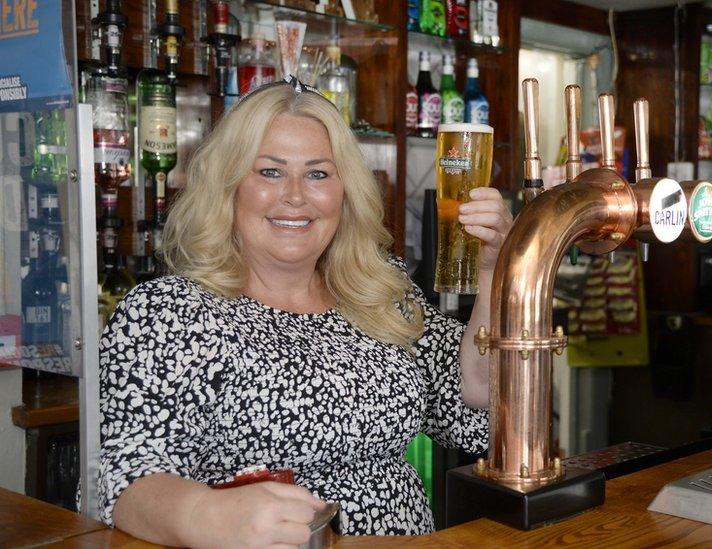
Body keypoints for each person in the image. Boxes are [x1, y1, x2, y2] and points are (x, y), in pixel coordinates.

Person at [97, 78, 513, 546]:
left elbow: (477, 397)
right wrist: (208, 513)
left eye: (318, 174)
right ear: (229, 185)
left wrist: (494, 272)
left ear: (344, 191)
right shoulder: (166, 314)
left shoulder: (378, 293)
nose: (295, 195)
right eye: (270, 172)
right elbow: (127, 483)